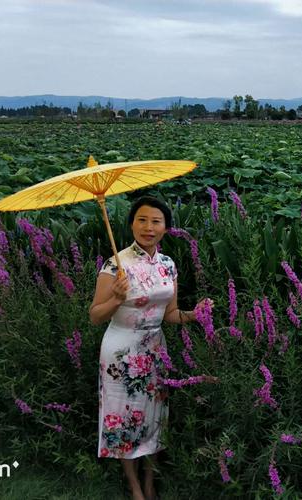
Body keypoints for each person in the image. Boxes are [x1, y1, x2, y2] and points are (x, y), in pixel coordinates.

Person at [89, 195, 211, 500]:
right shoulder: (115, 264)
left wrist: (194, 314)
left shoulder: (168, 265)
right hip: (120, 352)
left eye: (156, 221)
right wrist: (116, 298)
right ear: (131, 224)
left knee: (154, 416)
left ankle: (150, 480)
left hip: (155, 349)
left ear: (166, 228)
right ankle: (134, 487)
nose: (148, 227)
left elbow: (170, 314)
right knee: (123, 417)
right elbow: (94, 316)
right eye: (141, 219)